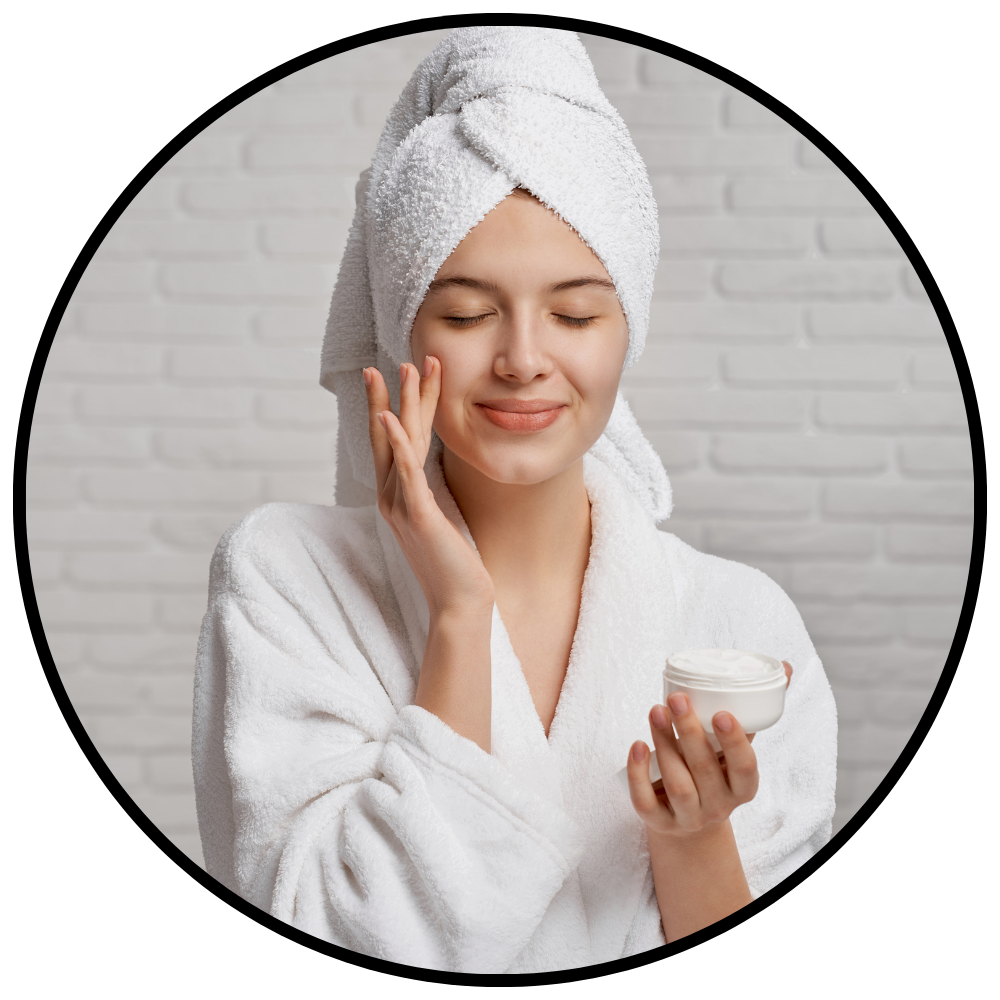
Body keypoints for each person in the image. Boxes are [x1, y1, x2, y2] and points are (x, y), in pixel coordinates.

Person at [192, 26, 837, 974]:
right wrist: (459, 615)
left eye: (576, 314)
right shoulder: (285, 582)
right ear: (398, 330)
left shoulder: (739, 625)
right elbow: (313, 949)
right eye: (464, 313)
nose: (525, 357)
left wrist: (695, 837)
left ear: (629, 330)